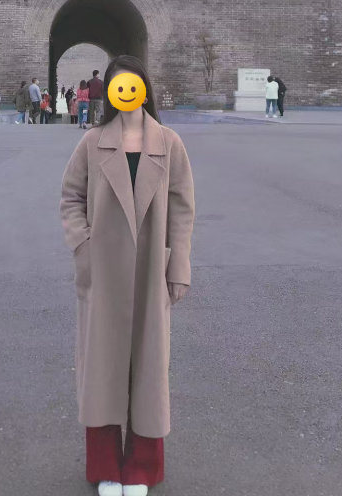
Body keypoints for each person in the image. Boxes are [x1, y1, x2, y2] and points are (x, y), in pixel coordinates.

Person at [60, 54, 196, 496]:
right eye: (118, 85)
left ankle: (141, 468)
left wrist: (178, 266)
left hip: (151, 268)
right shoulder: (92, 142)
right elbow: (71, 196)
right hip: (104, 272)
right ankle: (106, 467)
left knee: (149, 368)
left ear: (143, 88)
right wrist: (83, 246)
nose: (126, 92)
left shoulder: (169, 143)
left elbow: (182, 209)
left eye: (132, 84)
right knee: (102, 368)